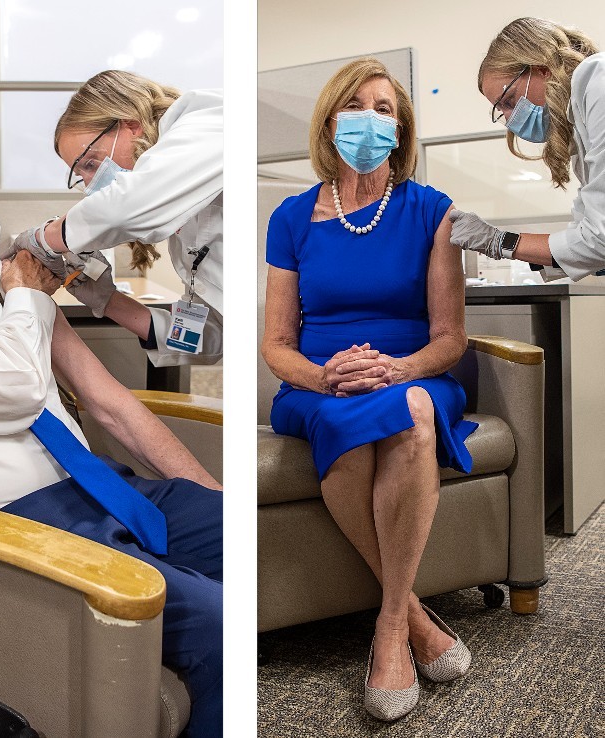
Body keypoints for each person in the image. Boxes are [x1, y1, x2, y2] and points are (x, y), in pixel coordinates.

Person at [0, 110, 222, 738]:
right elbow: (14, 384)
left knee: (238, 536)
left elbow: (106, 397)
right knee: (217, 619)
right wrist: (28, 293)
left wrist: (101, 299)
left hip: (96, 487)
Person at [261, 58, 476, 721]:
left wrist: (396, 369)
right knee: (353, 424)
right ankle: (411, 615)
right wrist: (327, 376)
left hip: (409, 375)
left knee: (409, 411)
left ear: (401, 127)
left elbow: (450, 337)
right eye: (356, 105)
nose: (371, 118)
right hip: (318, 385)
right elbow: (275, 346)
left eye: (385, 108)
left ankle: (387, 630)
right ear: (330, 120)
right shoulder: (291, 217)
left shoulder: (432, 211)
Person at [7, 70, 223, 367]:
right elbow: (210, 337)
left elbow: (127, 206)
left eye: (92, 163)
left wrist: (44, 238)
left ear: (131, 126)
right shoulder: (183, 234)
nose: (92, 184)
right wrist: (108, 302)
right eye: (81, 175)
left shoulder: (210, 119)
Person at [449, 17, 603, 281]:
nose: (510, 119)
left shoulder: (596, 81)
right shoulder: (578, 126)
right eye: (502, 110)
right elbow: (583, 234)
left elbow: (598, 240)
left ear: (542, 68)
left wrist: (499, 241)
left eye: (509, 100)